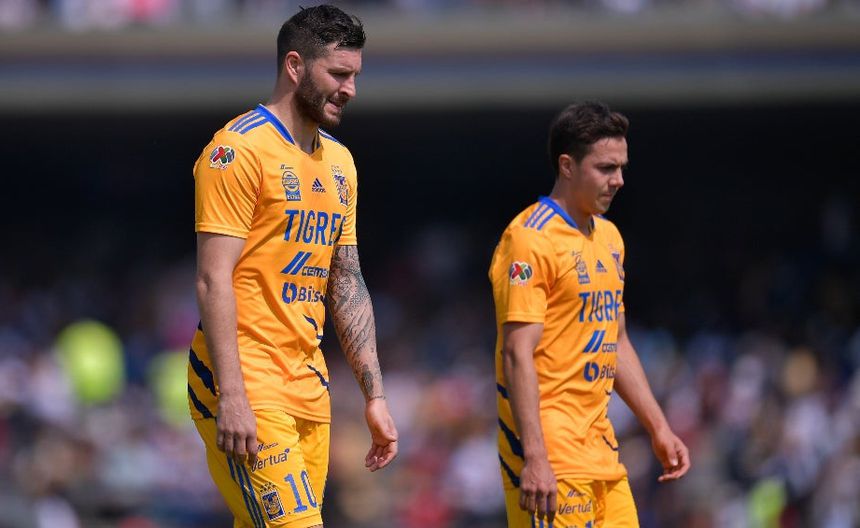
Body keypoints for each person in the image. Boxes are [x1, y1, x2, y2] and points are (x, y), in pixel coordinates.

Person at [186, 6, 398, 527]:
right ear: (295, 66)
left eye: (355, 76)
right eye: (339, 74)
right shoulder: (237, 151)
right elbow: (212, 278)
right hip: (245, 382)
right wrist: (233, 395)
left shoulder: (341, 163)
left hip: (308, 387)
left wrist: (374, 396)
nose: (350, 90)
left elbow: (346, 280)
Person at [489, 101, 690, 528]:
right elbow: (517, 354)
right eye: (605, 168)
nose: (618, 180)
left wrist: (658, 427)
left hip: (602, 452)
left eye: (621, 168)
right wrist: (536, 457)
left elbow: (616, 340)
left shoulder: (610, 238)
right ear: (567, 165)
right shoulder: (529, 240)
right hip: (551, 458)